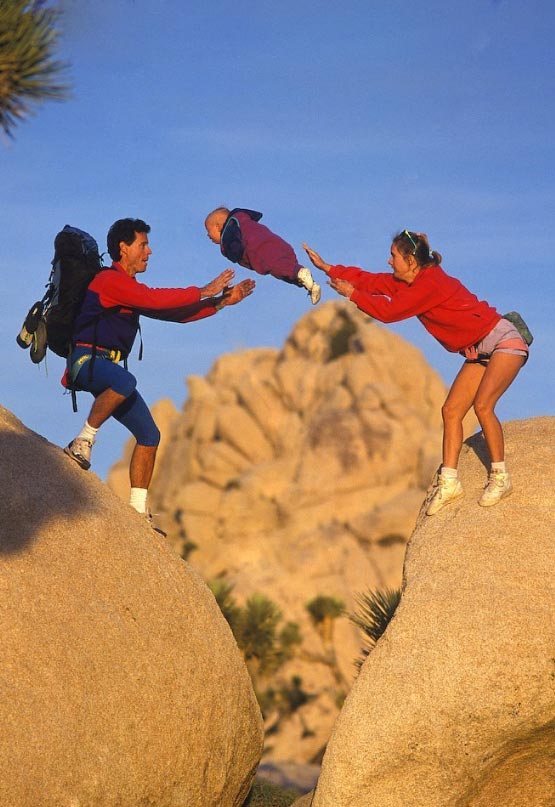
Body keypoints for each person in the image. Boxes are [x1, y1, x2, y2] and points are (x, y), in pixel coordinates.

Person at [303, 231, 530, 514]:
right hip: (478, 349)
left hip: (503, 340)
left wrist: (352, 294)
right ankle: (449, 482)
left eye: (394, 256)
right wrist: (330, 268)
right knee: (451, 411)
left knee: (483, 405)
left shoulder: (430, 283)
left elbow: (390, 312)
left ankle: (500, 477)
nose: (389, 261)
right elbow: (374, 281)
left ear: (410, 260)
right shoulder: (408, 280)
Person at [63, 217, 255, 527]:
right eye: (143, 244)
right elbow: (154, 299)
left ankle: (137, 510)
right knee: (126, 381)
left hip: (109, 371)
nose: (149, 251)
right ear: (123, 248)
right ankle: (82, 441)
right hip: (86, 362)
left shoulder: (129, 289)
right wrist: (203, 290)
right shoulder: (109, 282)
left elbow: (173, 314)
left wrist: (220, 302)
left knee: (149, 435)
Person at [205, 206, 321, 305]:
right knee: (282, 271)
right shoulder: (244, 221)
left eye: (208, 231)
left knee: (279, 267)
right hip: (277, 244)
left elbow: (235, 248)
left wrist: (229, 252)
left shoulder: (230, 230)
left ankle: (301, 274)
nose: (208, 235)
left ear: (217, 227)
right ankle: (310, 285)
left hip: (261, 249)